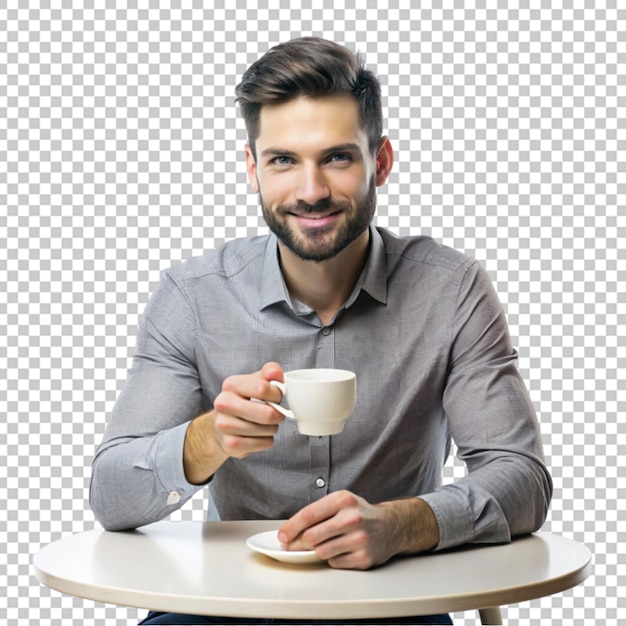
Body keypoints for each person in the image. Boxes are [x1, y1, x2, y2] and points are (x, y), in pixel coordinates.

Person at [90, 37, 552, 625]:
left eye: (337, 157)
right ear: (253, 169)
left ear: (379, 162)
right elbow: (110, 494)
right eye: (283, 160)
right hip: (223, 607)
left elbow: (522, 478)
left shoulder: (451, 288)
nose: (310, 191)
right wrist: (208, 439)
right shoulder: (193, 295)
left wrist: (402, 525)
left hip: (396, 602)